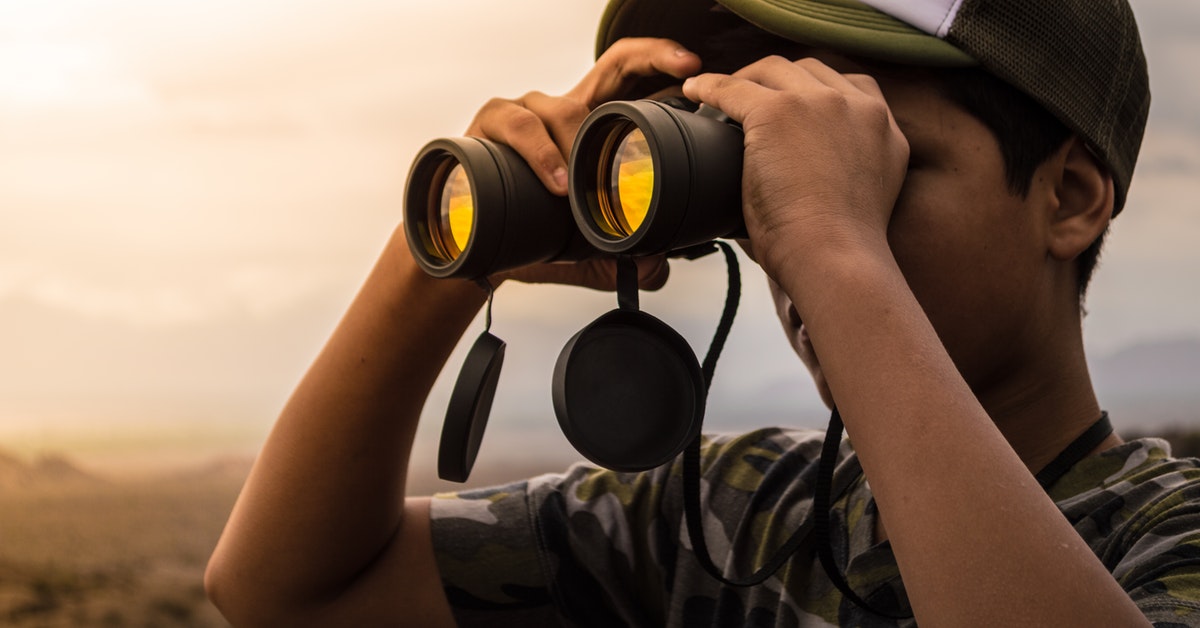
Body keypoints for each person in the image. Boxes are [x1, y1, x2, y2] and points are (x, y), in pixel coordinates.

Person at [205, 0, 1200, 625]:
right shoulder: (734, 519)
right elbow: (290, 590)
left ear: (1070, 197)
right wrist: (451, 248)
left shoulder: (1166, 539)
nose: (785, 220)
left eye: (874, 152)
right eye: (763, 158)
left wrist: (833, 245)